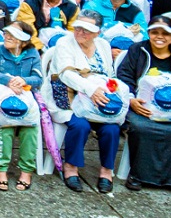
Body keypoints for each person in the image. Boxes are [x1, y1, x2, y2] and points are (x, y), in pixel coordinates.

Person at [115, 16, 171, 196]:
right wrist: (131, 99)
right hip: (141, 106)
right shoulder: (137, 50)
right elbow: (124, 76)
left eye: (165, 33)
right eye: (155, 32)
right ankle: (138, 175)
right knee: (141, 127)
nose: (160, 37)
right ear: (149, 33)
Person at [44, 15, 122, 193]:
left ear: (98, 33)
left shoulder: (103, 45)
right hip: (68, 99)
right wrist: (90, 89)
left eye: (87, 30)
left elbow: (110, 75)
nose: (80, 32)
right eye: (78, 28)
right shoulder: (65, 43)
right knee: (80, 125)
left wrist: (107, 91)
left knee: (111, 128)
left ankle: (106, 171)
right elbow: (66, 75)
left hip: (97, 100)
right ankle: (71, 167)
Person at [0, 22, 41, 190]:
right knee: (5, 125)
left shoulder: (32, 53)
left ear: (23, 40)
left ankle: (26, 170)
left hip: (25, 102)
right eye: (6, 33)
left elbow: (38, 79)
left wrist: (23, 81)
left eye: (12, 34)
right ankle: (1, 169)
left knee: (30, 128)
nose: (7, 36)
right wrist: (9, 81)